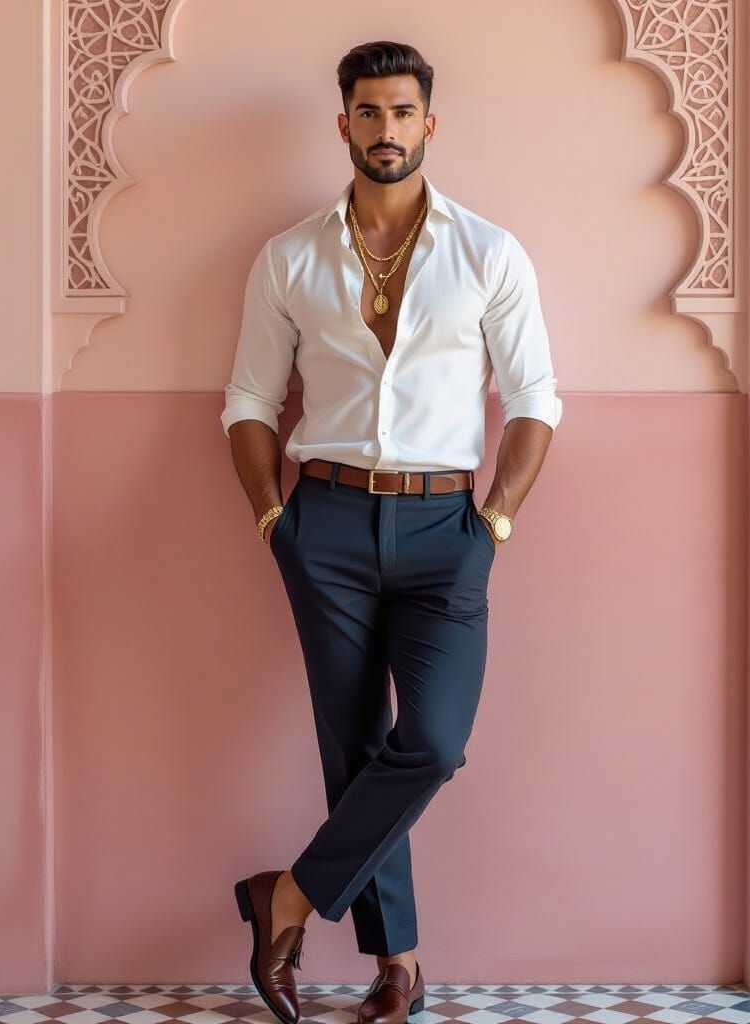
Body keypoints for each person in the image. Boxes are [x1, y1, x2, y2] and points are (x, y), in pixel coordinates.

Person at [225, 40, 562, 1024]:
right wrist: (271, 516)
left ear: (428, 123)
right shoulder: (287, 255)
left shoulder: (486, 252)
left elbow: (536, 397)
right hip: (321, 516)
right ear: (344, 124)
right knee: (353, 743)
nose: (385, 130)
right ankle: (398, 966)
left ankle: (283, 897)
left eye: (402, 112)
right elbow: (248, 398)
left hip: (443, 523)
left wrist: (493, 518)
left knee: (433, 742)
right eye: (367, 113)